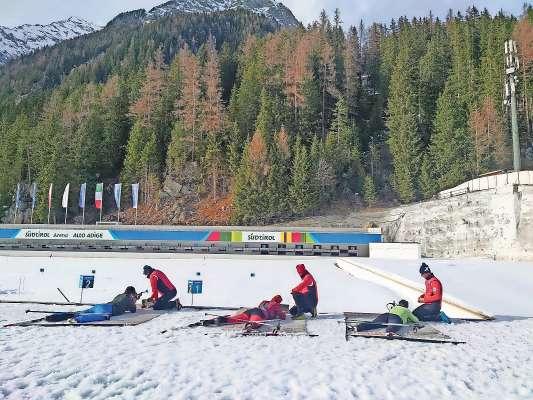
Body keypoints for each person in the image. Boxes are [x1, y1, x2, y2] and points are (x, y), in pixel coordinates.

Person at [46, 286, 140, 323]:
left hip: (101, 306)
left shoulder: (120, 295)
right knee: (98, 317)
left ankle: (54, 316)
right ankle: (76, 320)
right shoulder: (129, 298)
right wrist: (134, 300)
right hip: (107, 310)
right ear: (132, 293)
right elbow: (133, 310)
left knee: (78, 312)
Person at [200, 295, 286, 328]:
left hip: (251, 311)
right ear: (279, 301)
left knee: (234, 319)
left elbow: (259, 306)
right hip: (259, 314)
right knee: (255, 322)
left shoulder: (265, 302)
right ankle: (250, 326)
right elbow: (282, 316)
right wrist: (281, 314)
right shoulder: (277, 305)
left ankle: (216, 320)